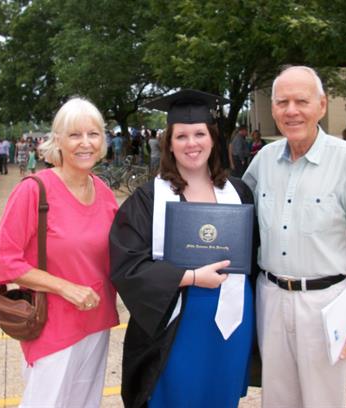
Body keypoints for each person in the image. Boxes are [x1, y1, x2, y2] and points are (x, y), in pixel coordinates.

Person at [242, 66, 346, 408]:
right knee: (276, 399)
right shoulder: (262, 161)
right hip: (271, 298)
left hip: (326, 304)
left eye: (301, 101)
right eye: (282, 102)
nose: (291, 110)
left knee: (323, 401)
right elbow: (235, 212)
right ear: (274, 109)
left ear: (322, 105)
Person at [110, 89, 260, 408]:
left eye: (199, 134)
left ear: (212, 138)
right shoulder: (148, 199)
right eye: (181, 136)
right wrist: (191, 276)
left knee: (219, 397)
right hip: (175, 325)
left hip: (230, 322)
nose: (192, 143)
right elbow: (128, 266)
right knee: (176, 394)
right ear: (169, 143)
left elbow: (255, 257)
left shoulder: (240, 192)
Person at [0, 97, 119, 408]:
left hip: (96, 320)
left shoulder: (104, 192)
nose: (85, 143)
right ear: (57, 140)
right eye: (74, 135)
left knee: (86, 403)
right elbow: (4, 262)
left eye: (93, 134)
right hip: (52, 325)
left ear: (103, 140)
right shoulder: (34, 191)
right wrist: (67, 288)